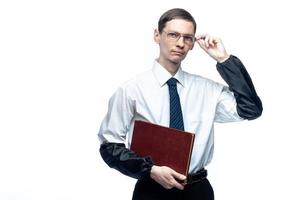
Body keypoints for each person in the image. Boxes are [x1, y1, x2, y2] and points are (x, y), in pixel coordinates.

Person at [98, 8, 262, 200]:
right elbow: (109, 146)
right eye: (173, 35)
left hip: (197, 190)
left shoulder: (208, 90)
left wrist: (223, 59)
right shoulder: (131, 90)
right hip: (151, 190)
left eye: (187, 38)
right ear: (157, 35)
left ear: (193, 43)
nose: (180, 43)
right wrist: (150, 170)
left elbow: (251, 109)